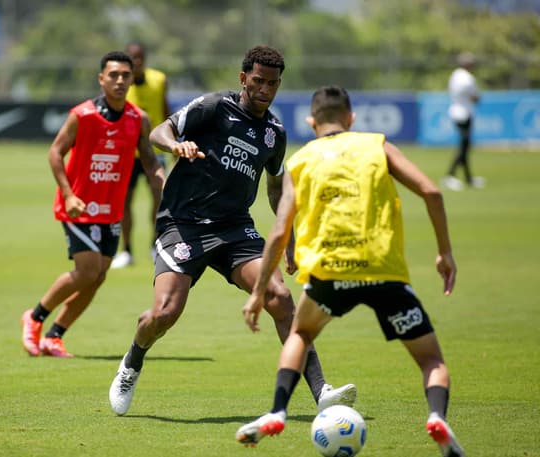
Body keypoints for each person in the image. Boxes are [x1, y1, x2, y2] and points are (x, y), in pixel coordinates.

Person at [108, 46, 356, 415]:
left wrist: (286, 236)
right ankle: (131, 363)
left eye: (272, 84)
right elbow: (159, 131)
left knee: (280, 297)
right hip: (183, 223)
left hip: (235, 230)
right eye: (257, 81)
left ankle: (321, 392)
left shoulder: (274, 133)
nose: (264, 89)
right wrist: (176, 145)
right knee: (164, 313)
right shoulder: (213, 107)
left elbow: (275, 188)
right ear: (243, 79)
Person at [236, 86, 465, 457]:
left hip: (329, 274)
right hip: (384, 273)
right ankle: (437, 417)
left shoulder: (301, 160)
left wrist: (258, 292)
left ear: (312, 122)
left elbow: (279, 231)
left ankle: (278, 410)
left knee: (301, 333)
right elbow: (432, 192)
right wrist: (445, 254)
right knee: (430, 360)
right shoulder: (376, 146)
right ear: (352, 118)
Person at [20, 51, 165, 358]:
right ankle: (34, 318)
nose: (120, 81)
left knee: (98, 277)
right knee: (87, 271)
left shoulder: (137, 118)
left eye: (126, 75)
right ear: (101, 79)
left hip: (111, 211)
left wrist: (163, 184)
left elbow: (150, 161)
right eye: (113, 75)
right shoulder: (82, 115)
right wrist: (69, 194)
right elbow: (55, 153)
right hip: (79, 207)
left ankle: (54, 336)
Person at [110, 42, 171, 269]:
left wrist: (172, 143)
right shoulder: (119, 85)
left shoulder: (159, 80)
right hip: (126, 154)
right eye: (132, 58)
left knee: (159, 200)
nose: (136, 62)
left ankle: (155, 246)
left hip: (154, 152)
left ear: (145, 59)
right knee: (125, 202)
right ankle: (126, 251)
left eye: (139, 57)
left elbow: (166, 111)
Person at [443, 51, 483, 191]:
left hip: (455, 111)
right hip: (464, 113)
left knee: (465, 146)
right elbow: (475, 97)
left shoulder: (455, 74)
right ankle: (450, 175)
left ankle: (468, 178)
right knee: (464, 146)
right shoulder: (467, 78)